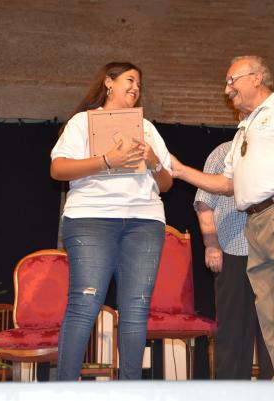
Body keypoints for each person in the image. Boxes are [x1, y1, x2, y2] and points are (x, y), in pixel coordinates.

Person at [171, 55, 274, 380]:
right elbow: (227, 185)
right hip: (255, 223)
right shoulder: (243, 131)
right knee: (271, 313)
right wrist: (181, 171)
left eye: (232, 80)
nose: (227, 89)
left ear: (257, 77)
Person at [50, 62, 173, 380]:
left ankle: (130, 391)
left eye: (139, 84)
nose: (136, 88)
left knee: (136, 310)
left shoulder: (147, 128)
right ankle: (64, 390)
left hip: (144, 221)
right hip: (91, 219)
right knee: (85, 304)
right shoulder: (82, 122)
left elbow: (166, 184)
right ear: (109, 83)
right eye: (130, 80)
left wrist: (153, 161)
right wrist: (107, 160)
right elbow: (58, 169)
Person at [194, 140, 273, 380]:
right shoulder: (223, 152)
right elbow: (204, 203)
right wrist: (211, 245)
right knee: (232, 334)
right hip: (233, 249)